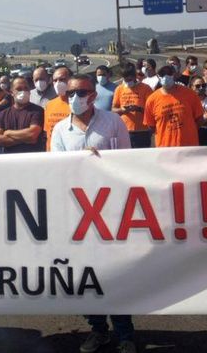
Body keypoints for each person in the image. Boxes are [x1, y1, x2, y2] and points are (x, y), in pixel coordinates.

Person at [49, 74, 133, 353]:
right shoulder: (60, 130)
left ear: (93, 95)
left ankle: (125, 334)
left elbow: (129, 165)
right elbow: (56, 171)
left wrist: (102, 163)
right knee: (86, 276)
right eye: (69, 94)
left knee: (115, 274)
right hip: (77, 215)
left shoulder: (113, 123)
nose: (74, 98)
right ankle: (98, 329)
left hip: (110, 211)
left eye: (80, 92)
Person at [143, 65, 203, 147]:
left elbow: (199, 119)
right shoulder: (151, 100)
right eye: (162, 74)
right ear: (158, 76)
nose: (166, 77)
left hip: (189, 146)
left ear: (174, 75)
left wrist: (188, 131)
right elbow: (151, 126)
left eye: (168, 74)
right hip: (165, 148)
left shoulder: (190, 94)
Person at [0, 76, 45, 153]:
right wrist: (25, 139)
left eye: (26, 88)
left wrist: (8, 133)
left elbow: (32, 135)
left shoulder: (37, 111)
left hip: (33, 160)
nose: (23, 91)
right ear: (11, 92)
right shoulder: (2, 115)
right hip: (11, 161)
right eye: (19, 89)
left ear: (30, 91)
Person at [112, 64, 154, 149]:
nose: (128, 82)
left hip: (142, 131)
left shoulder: (145, 88)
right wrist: (122, 110)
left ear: (135, 76)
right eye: (125, 80)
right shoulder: (119, 89)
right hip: (124, 131)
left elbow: (152, 110)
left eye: (130, 79)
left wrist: (138, 109)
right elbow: (113, 109)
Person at [43, 66, 73, 150]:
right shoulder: (49, 105)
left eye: (62, 79)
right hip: (52, 157)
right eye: (55, 80)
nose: (58, 83)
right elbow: (48, 133)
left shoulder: (78, 105)